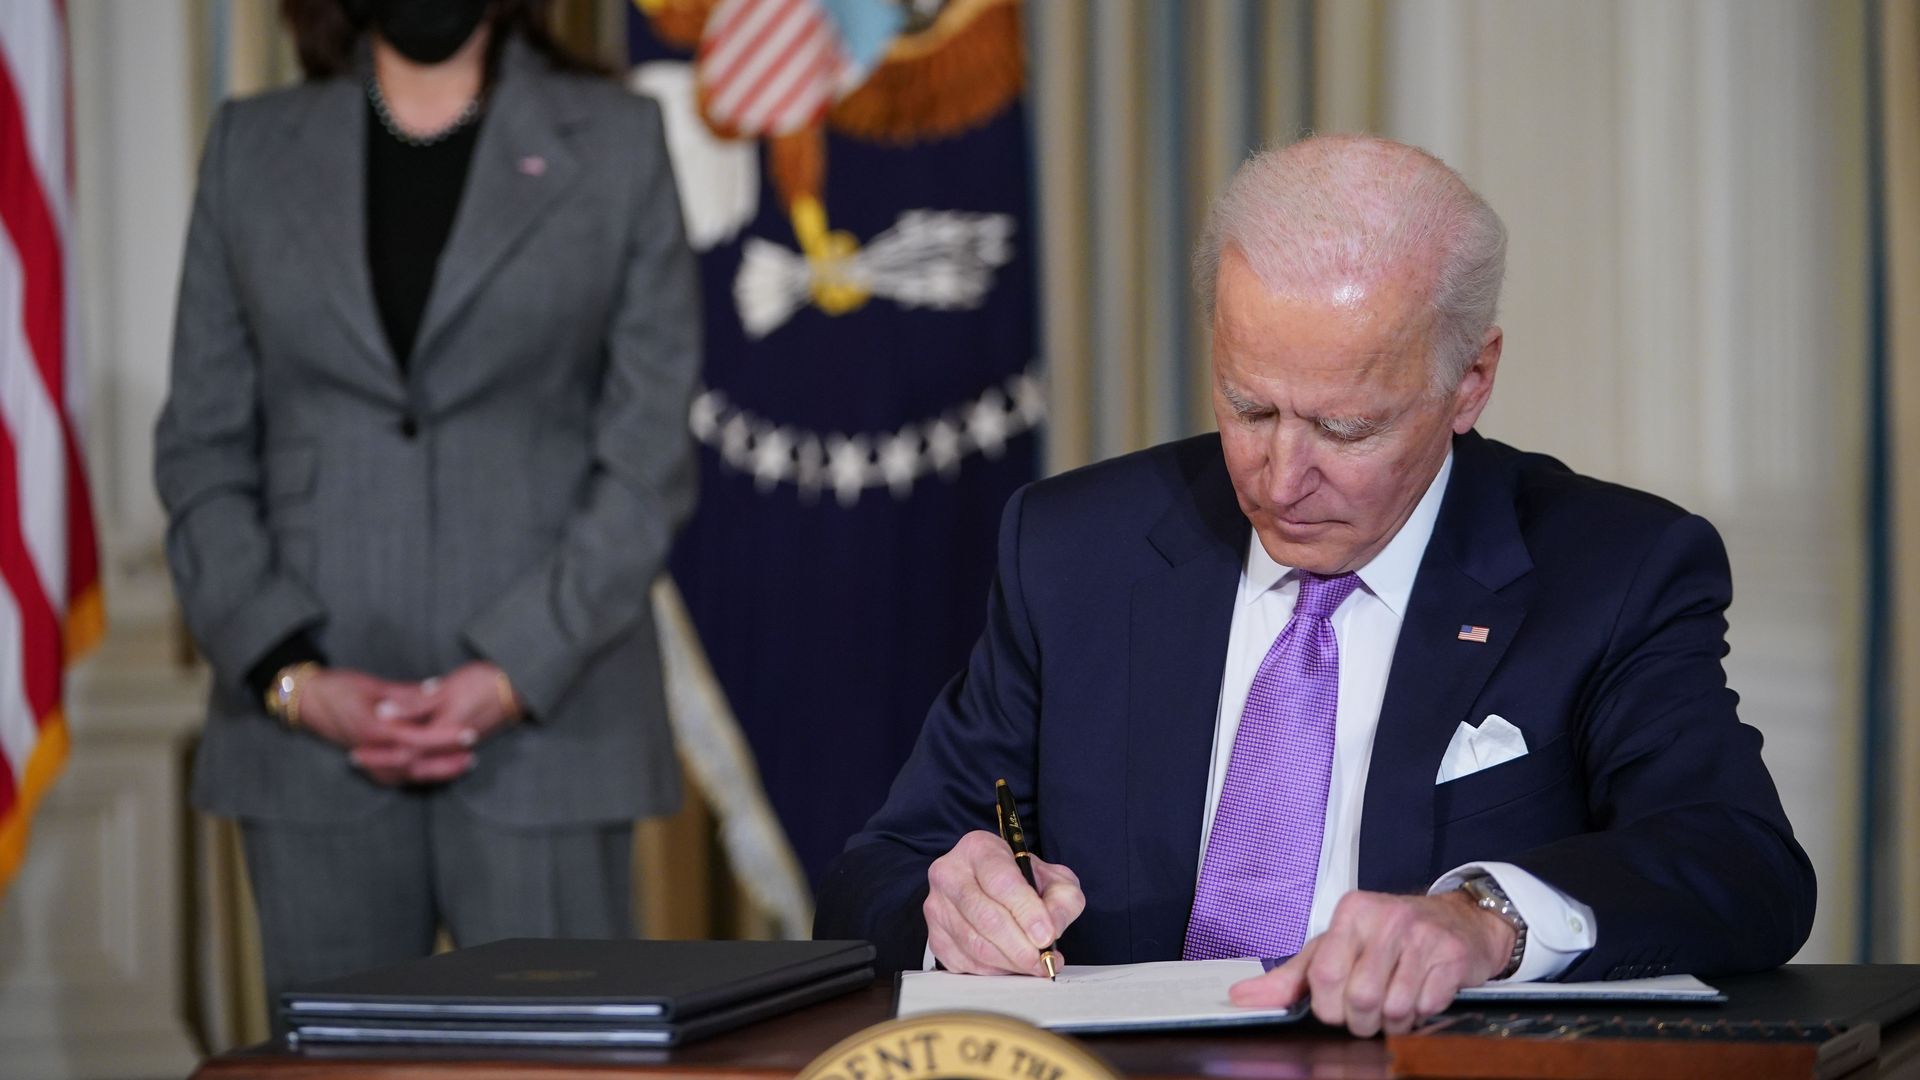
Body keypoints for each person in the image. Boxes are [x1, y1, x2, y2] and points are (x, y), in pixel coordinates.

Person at [814, 133, 1816, 1037]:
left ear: (1470, 381)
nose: (1281, 477)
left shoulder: (1611, 569)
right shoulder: (1075, 549)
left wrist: (1484, 922)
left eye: (1346, 428)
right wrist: (948, 907)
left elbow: (1740, 862)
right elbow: (882, 866)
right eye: (1249, 407)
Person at [154, 0, 699, 1017]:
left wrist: (514, 671)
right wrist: (291, 678)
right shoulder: (251, 148)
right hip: (310, 747)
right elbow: (200, 449)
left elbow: (648, 453)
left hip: (550, 726)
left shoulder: (618, 143)